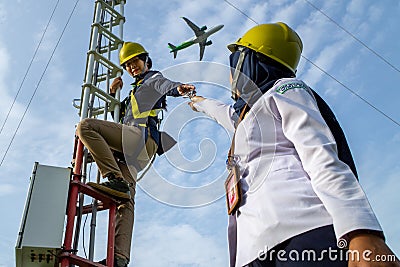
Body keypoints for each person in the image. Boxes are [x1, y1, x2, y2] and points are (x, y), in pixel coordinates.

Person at [189, 23, 399, 266]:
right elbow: (221, 112)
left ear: (247, 62)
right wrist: (196, 100)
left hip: (303, 232)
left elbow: (320, 155)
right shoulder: (245, 119)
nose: (230, 77)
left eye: (233, 64)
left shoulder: (285, 89)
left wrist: (360, 231)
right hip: (252, 249)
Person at [76, 42, 195, 267]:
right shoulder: (133, 92)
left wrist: (179, 89)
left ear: (145, 60)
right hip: (135, 149)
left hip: (139, 138)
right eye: (128, 65)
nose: (132, 68)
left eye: (135, 62)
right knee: (125, 200)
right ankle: (120, 258)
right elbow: (120, 118)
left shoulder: (151, 78)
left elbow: (164, 84)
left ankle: (113, 178)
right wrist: (113, 94)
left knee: (86, 127)